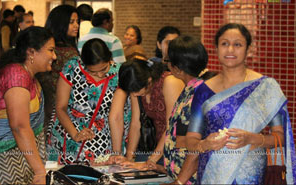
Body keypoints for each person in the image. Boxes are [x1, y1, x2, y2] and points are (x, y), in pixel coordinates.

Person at [186, 23, 296, 184]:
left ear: (248, 49)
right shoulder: (203, 90)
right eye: (224, 44)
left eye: (237, 44)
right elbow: (190, 141)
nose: (230, 50)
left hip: (249, 174)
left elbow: (280, 136)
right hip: (211, 173)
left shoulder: (266, 87)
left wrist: (253, 138)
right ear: (216, 48)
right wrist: (205, 144)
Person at [121, 35, 212, 184]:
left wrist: (179, 181)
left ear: (177, 68)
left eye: (168, 61)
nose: (167, 66)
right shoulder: (189, 89)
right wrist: (157, 166)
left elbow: (194, 150)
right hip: (176, 172)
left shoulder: (194, 95)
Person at [46, 38, 131, 164]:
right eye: (93, 72)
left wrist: (116, 152)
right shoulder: (73, 67)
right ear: (84, 64)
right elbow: (60, 107)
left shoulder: (119, 73)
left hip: (102, 142)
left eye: (104, 69)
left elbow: (117, 117)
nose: (100, 75)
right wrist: (75, 134)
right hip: (68, 136)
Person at [0, 26, 56, 184]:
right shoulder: (15, 75)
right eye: (50, 50)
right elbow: (19, 126)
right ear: (31, 52)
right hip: (6, 161)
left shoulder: (27, 75)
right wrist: (39, 170)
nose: (54, 56)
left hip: (22, 159)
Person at [110, 58, 184, 162]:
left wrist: (151, 161)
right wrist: (129, 158)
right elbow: (136, 123)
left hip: (180, 147)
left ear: (149, 81)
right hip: (159, 145)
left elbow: (172, 125)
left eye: (136, 91)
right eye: (131, 92)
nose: (134, 95)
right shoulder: (137, 87)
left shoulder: (169, 82)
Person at [37, 4, 79, 134]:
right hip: (62, 110)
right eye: (71, 22)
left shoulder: (45, 47)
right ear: (60, 23)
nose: (76, 25)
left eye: (77, 22)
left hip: (45, 107)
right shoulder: (69, 53)